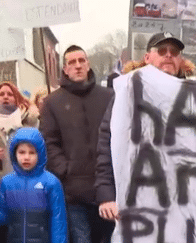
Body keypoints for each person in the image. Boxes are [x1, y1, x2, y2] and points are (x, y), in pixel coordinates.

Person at [95, 32, 196, 222]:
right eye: (161, 50)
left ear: (180, 60)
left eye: (174, 52)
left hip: (180, 202)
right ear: (147, 58)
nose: (168, 55)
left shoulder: (195, 97)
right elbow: (107, 143)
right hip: (137, 197)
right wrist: (107, 194)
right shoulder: (127, 94)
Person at [39, 45, 114, 243]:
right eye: (72, 62)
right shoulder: (51, 103)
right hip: (73, 191)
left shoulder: (108, 97)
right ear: (65, 69)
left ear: (88, 64)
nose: (78, 66)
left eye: (81, 61)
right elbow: (49, 141)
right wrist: (65, 170)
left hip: (106, 189)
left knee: (107, 238)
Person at [0, 127, 67, 243]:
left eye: (32, 152)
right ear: (14, 153)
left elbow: (58, 221)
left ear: (40, 153)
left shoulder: (50, 182)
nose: (26, 157)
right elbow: (2, 215)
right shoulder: (7, 183)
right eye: (21, 152)